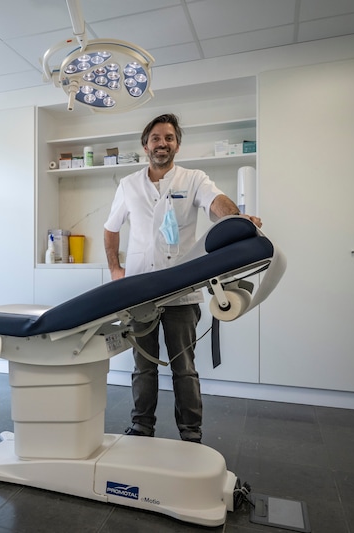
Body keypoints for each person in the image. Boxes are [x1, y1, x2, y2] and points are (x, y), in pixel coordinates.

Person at [103, 113, 262, 443]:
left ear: (177, 145)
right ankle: (141, 426)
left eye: (169, 138)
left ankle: (191, 432)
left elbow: (216, 203)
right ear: (145, 145)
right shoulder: (128, 184)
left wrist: (237, 218)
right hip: (140, 292)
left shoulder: (194, 179)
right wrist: (116, 270)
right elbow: (110, 228)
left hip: (181, 291)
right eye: (156, 138)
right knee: (143, 365)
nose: (162, 143)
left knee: (184, 366)